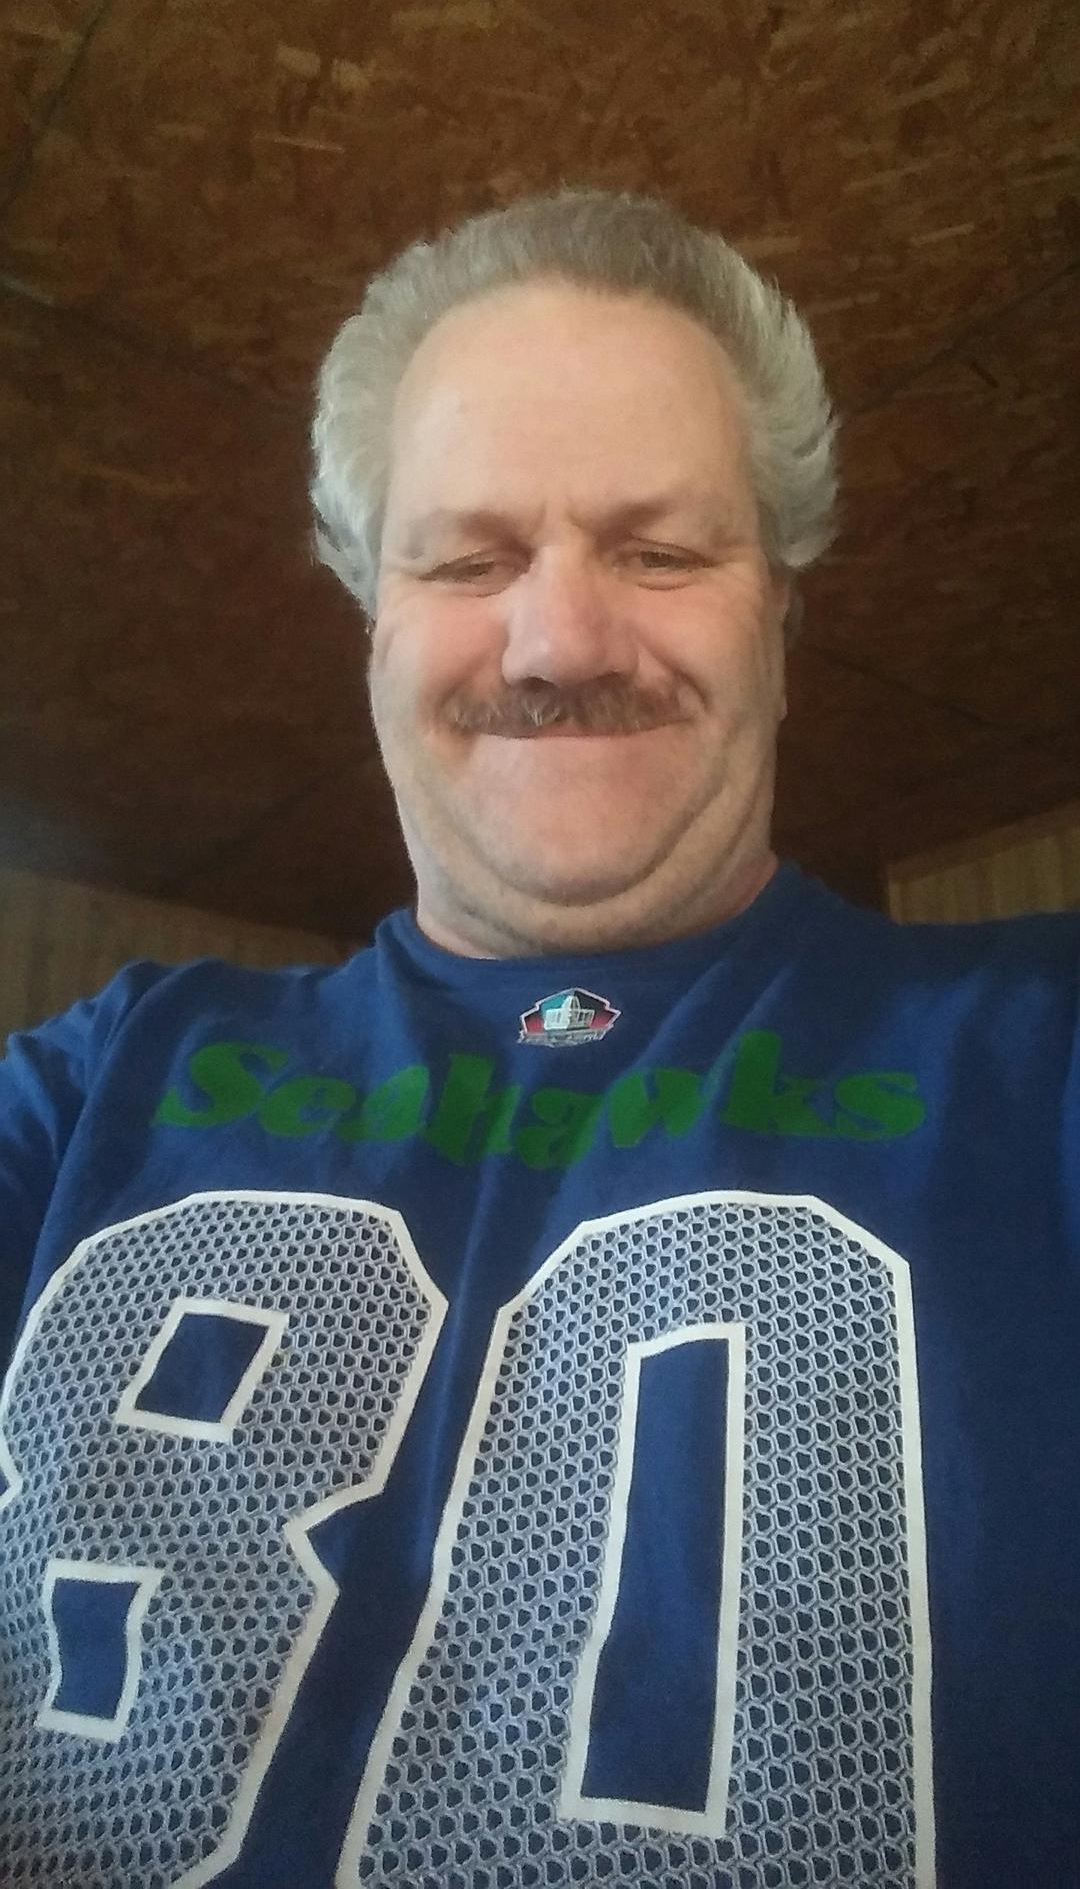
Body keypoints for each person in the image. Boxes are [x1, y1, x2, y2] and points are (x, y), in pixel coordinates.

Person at [0, 184, 1077, 1889]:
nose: (562, 640)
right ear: (375, 625)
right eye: (469, 558)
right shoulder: (92, 1086)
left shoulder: (1040, 1056)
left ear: (780, 622)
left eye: (662, 551)